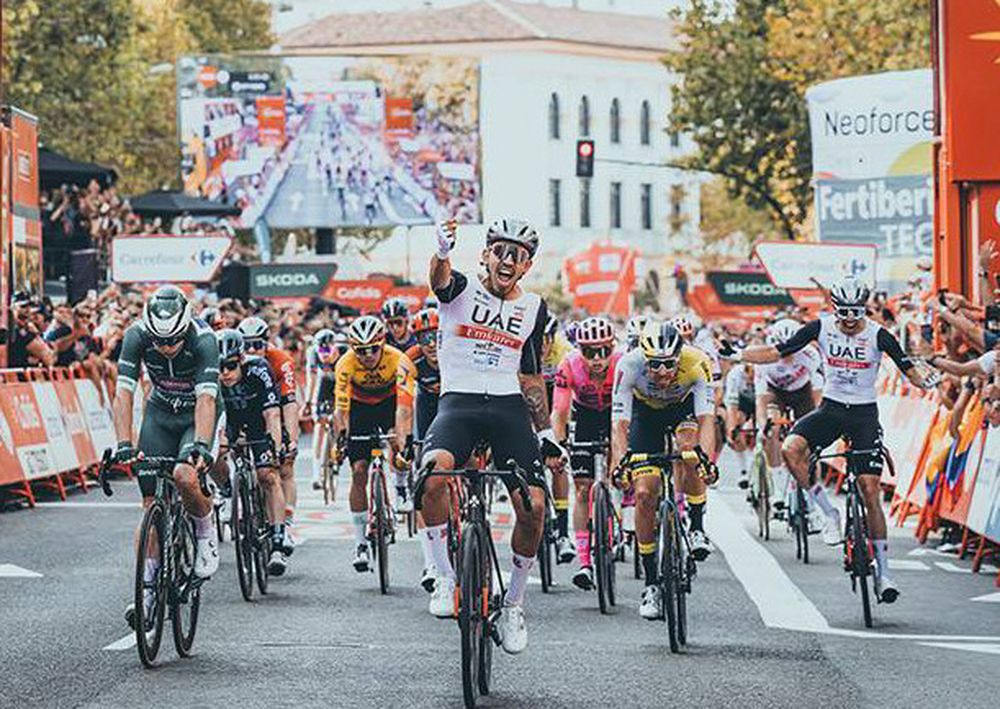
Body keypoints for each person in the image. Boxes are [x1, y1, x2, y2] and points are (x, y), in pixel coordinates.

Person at [736, 277, 939, 603]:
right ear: (834, 309)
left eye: (855, 312)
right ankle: (827, 512)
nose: (848, 319)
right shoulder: (821, 327)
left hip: (863, 415)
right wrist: (738, 353)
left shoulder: (878, 334)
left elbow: (907, 369)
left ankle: (884, 571)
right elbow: (777, 351)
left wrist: (928, 382)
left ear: (865, 309)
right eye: (843, 312)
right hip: (830, 410)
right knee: (791, 449)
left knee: (870, 490)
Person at [420, 216, 562, 655]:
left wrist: (547, 432)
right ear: (484, 255)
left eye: (517, 255)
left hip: (507, 408)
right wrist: (442, 251)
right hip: (458, 404)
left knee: (534, 505)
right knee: (431, 475)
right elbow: (439, 280)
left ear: (527, 265)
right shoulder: (460, 289)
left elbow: (532, 377)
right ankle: (444, 577)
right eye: (499, 251)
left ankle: (514, 604)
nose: (507, 260)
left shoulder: (534, 308)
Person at [112, 285, 220, 629]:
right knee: (149, 505)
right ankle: (146, 592)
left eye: (173, 340)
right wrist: (123, 443)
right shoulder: (135, 336)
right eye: (159, 342)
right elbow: (123, 394)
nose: (167, 347)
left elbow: (206, 401)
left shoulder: (204, 340)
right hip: (160, 414)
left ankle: (205, 533)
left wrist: (202, 445)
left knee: (184, 476)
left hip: (195, 416)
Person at [611, 320, 718, 620]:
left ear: (679, 356)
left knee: (689, 450)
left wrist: (706, 460)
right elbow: (619, 424)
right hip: (645, 415)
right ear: (644, 357)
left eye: (669, 364)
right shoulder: (629, 365)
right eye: (654, 365)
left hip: (682, 410)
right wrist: (622, 462)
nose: (662, 373)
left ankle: (696, 527)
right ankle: (651, 584)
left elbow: (707, 420)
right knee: (644, 494)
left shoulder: (697, 362)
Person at [333, 315, 416, 572]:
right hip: (359, 408)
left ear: (382, 344)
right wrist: (341, 439)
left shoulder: (399, 360)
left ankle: (401, 487)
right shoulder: (345, 364)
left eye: (372, 349)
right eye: (361, 351)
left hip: (390, 404)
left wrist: (403, 441)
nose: (367, 355)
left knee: (398, 445)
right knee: (358, 471)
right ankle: (360, 543)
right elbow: (341, 409)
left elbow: (404, 409)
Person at [550, 316, 620, 591]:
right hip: (587, 417)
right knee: (581, 489)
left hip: (616, 415)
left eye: (605, 350)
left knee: (618, 473)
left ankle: (619, 510)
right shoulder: (568, 365)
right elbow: (560, 412)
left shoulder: (621, 363)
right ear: (580, 350)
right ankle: (584, 562)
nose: (598, 359)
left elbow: (627, 417)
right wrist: (560, 444)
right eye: (591, 352)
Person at [214, 330, 289, 575]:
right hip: (232, 420)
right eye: (220, 367)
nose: (225, 373)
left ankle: (278, 540)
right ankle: (227, 491)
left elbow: (273, 414)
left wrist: (275, 448)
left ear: (242, 361)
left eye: (231, 366)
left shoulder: (259, 369)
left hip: (259, 420)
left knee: (267, 475)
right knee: (215, 453)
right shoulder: (211, 377)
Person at [237, 316, 300, 551]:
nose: (253, 350)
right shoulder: (235, 361)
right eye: (247, 345)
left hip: (277, 410)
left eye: (258, 345)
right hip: (249, 412)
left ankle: (286, 524)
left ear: (267, 343)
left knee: (283, 466)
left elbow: (289, 405)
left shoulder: (281, 361)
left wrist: (290, 441)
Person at [406, 307, 443, 591]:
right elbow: (402, 403)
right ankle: (431, 562)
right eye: (424, 338)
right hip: (428, 406)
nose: (431, 344)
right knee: (423, 480)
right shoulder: (412, 359)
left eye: (436, 336)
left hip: (457, 402)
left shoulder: (457, 352)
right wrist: (407, 440)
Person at [540, 312, 575, 562]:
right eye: (537, 339)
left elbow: (565, 401)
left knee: (558, 463)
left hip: (557, 397)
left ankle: (563, 532)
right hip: (531, 398)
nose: (542, 346)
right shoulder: (522, 350)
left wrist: (559, 438)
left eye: (546, 339)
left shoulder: (564, 351)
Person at [304, 329, 345, 490]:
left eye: (327, 349)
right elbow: (311, 379)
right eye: (321, 349)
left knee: (339, 417)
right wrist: (308, 402)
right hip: (324, 384)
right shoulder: (312, 353)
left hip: (340, 384)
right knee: (319, 425)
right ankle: (316, 473)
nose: (324, 353)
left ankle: (337, 447)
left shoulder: (344, 353)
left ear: (335, 347)